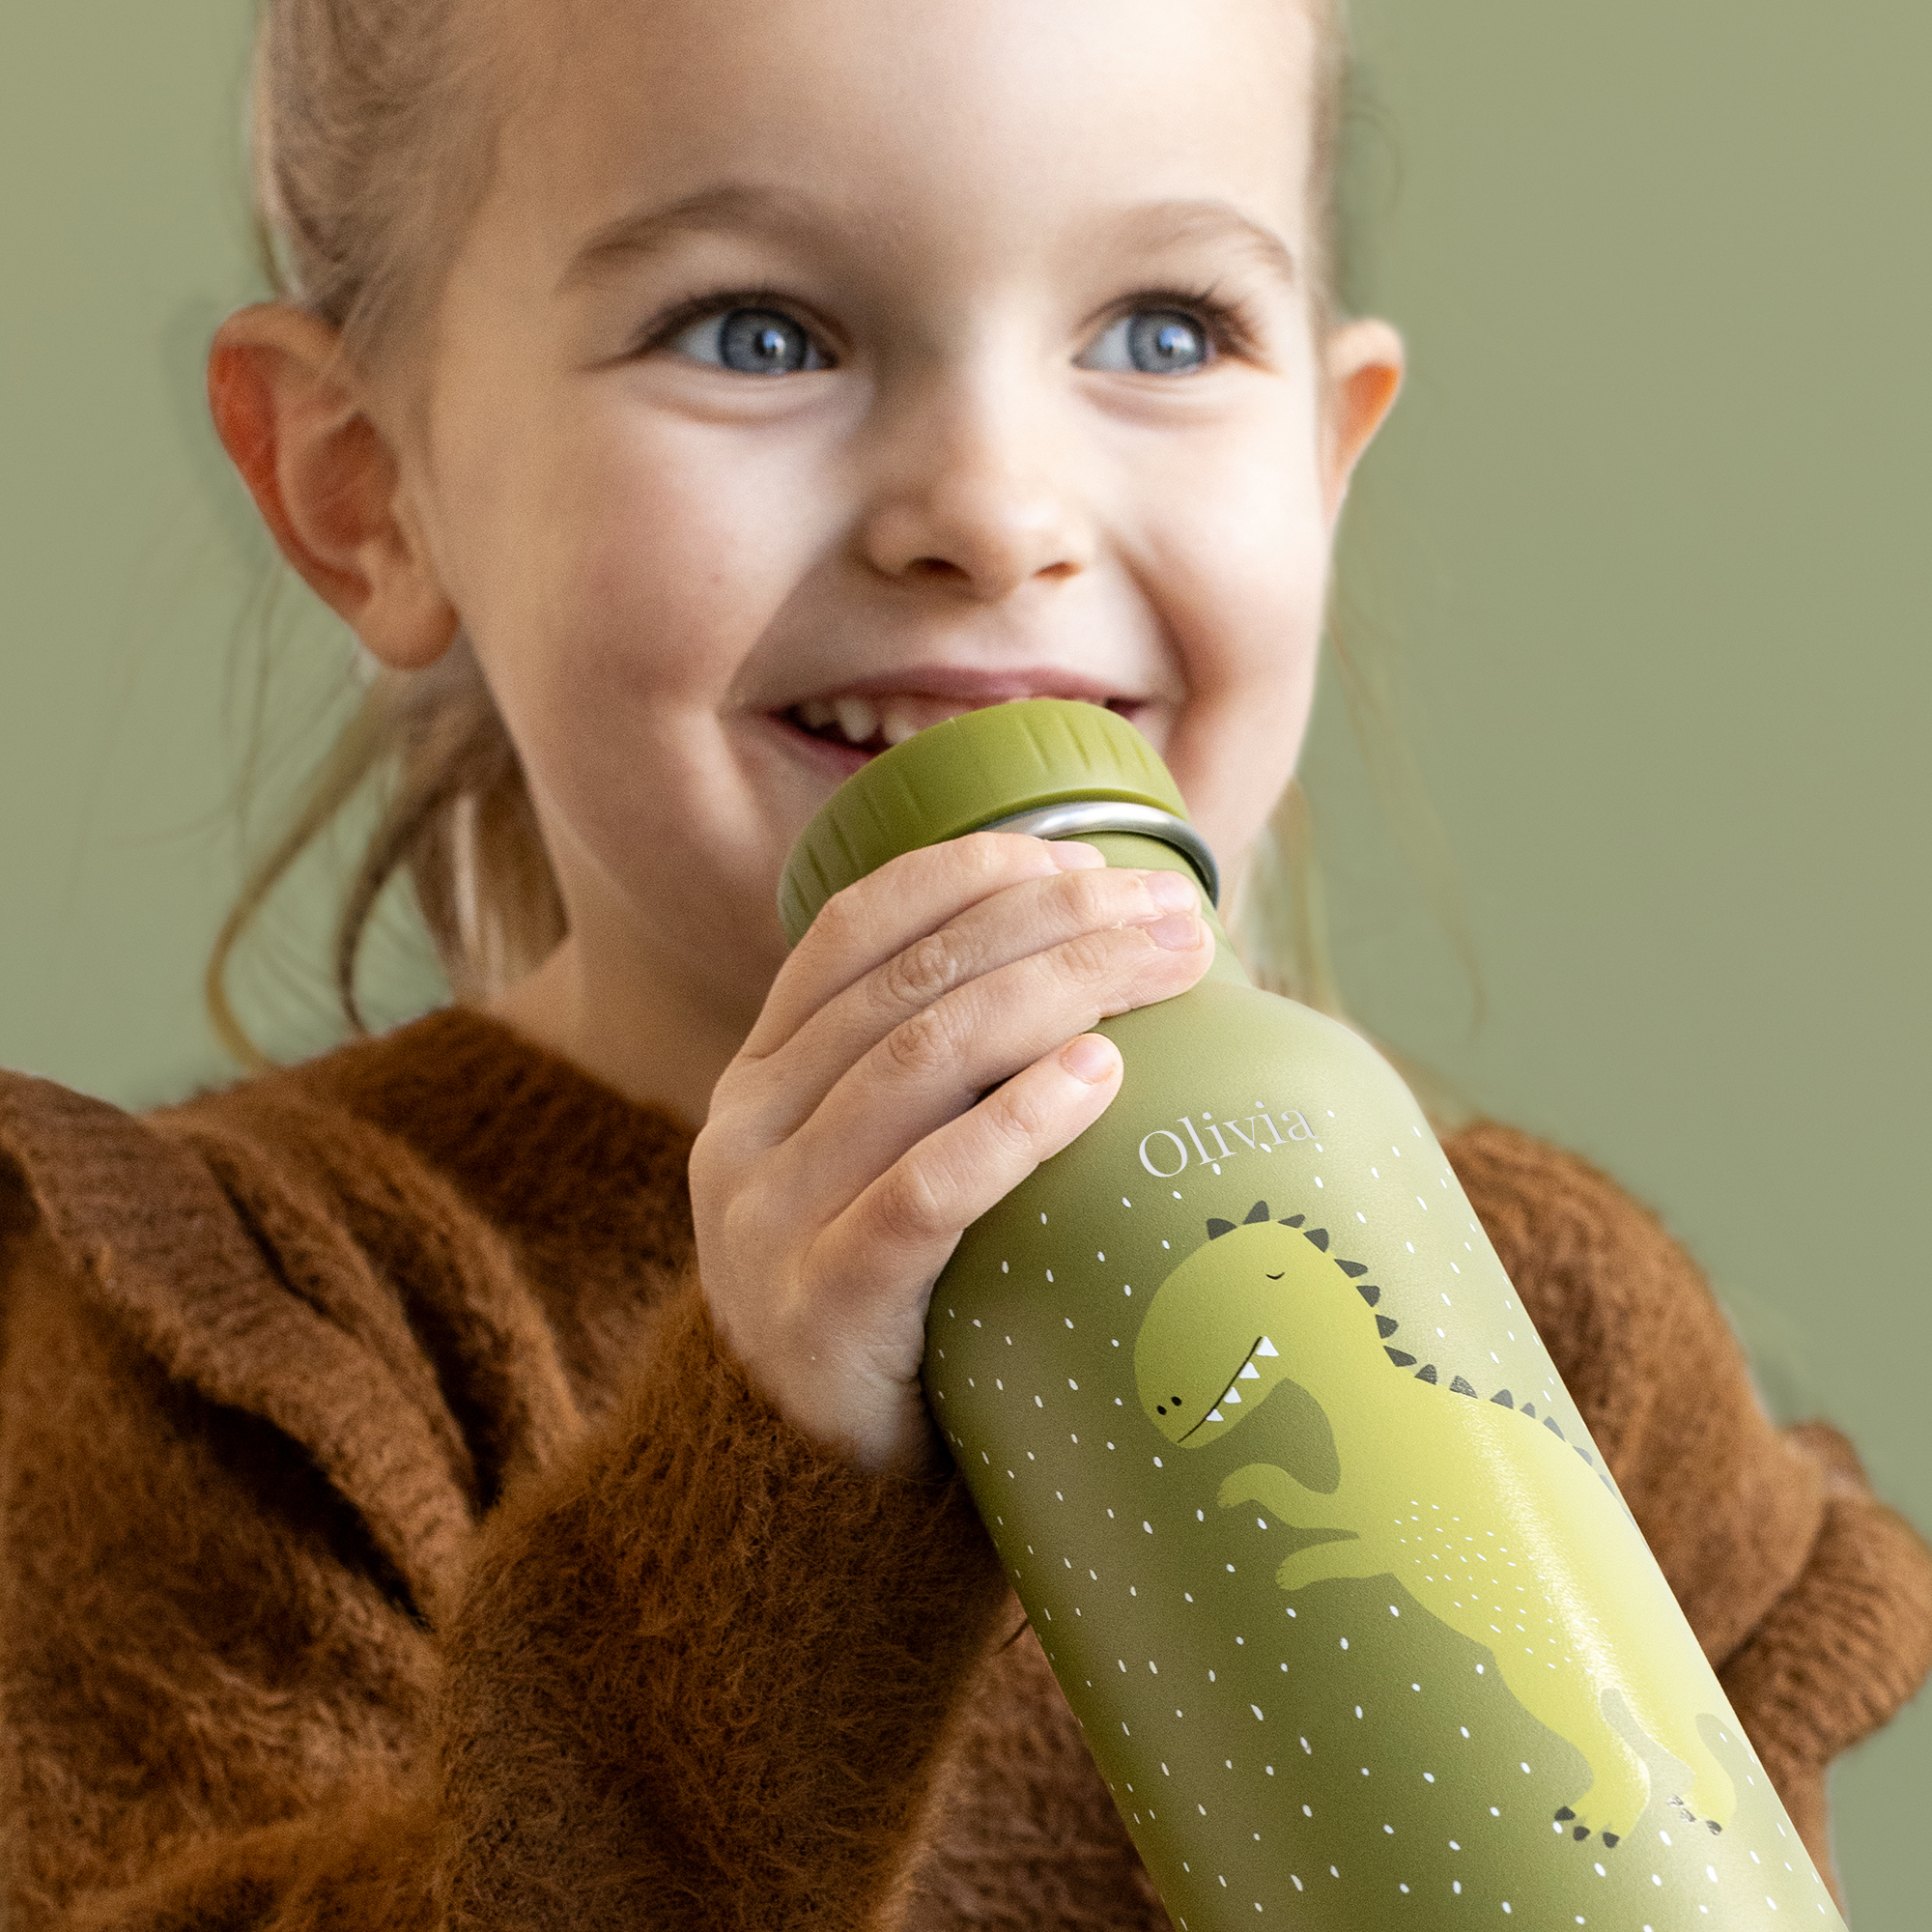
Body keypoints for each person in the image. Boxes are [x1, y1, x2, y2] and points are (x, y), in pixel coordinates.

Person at [1, 0, 1926, 1926]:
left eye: (1162, 331)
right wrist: (761, 1504)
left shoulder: (1549, 1340)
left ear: (1325, 462)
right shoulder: (247, 1346)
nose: (996, 517)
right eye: (754, 331)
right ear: (365, 487)